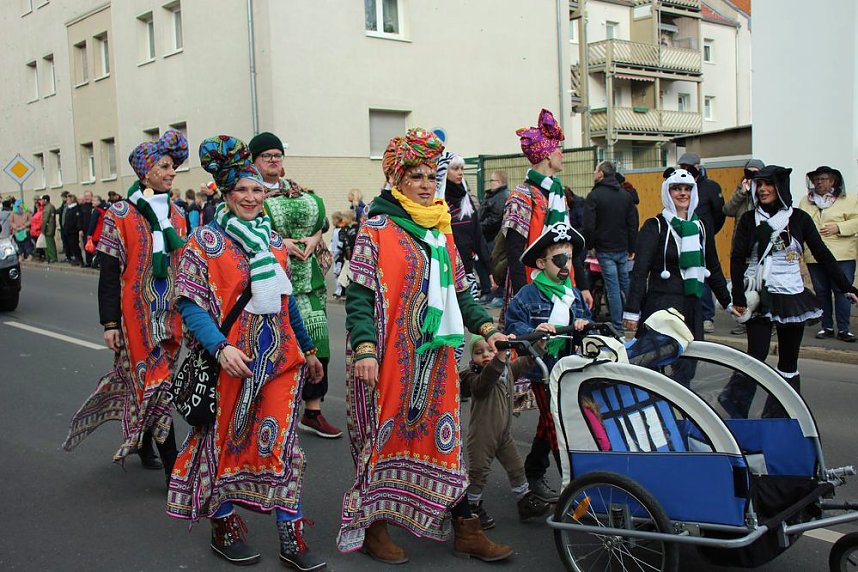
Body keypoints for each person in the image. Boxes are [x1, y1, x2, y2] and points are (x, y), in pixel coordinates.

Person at [340, 128, 513, 564]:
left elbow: (459, 293)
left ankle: (466, 530)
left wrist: (485, 330)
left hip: (434, 357)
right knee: (382, 439)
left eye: (428, 177)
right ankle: (374, 528)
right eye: (414, 176)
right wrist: (364, 348)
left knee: (444, 441)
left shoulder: (440, 226)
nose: (424, 184)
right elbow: (360, 294)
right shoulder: (375, 228)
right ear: (396, 179)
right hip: (387, 357)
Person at [168, 136, 326, 570]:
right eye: (243, 190)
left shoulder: (273, 241)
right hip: (230, 364)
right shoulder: (203, 242)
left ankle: (290, 536)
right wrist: (220, 349)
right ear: (226, 193)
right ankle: (223, 525)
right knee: (223, 443)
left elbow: (285, 299)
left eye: (258, 190)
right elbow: (189, 304)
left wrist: (308, 349)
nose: (253, 197)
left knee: (285, 447)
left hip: (279, 363)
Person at [62, 129, 189, 483]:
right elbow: (108, 273)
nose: (171, 172)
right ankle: (173, 468)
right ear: (145, 172)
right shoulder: (120, 213)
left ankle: (147, 442)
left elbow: (186, 264)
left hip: (173, 317)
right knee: (157, 385)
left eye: (172, 166)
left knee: (155, 386)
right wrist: (110, 324)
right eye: (163, 167)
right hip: (138, 319)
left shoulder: (177, 215)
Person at [720, 166, 858, 419]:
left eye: (768, 184)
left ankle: (779, 415)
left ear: (780, 187)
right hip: (759, 295)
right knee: (756, 355)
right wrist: (738, 296)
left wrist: (846, 286)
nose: (762, 190)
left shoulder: (800, 219)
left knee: (788, 361)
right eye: (759, 185)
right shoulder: (750, 220)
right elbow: (737, 258)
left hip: (791, 293)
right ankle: (735, 407)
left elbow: (822, 254)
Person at [250, 131, 342, 439]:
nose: (274, 160)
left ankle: (312, 411)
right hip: (270, 278)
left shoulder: (295, 189)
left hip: (308, 275)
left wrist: (315, 239)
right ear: (254, 161)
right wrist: (280, 243)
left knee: (319, 343)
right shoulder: (247, 192)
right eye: (267, 156)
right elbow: (242, 229)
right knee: (274, 345)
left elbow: (320, 222)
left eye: (277, 155)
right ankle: (265, 411)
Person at [504, 222, 592, 502]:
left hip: (569, 368)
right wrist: (534, 331)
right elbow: (512, 324)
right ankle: (574, 483)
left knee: (550, 420)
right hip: (540, 370)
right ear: (542, 263)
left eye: (569, 258)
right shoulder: (527, 295)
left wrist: (582, 323)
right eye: (559, 259)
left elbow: (587, 322)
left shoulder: (574, 294)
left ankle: (532, 470)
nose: (566, 265)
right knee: (556, 422)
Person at [623, 169, 731, 385]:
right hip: (660, 306)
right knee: (654, 367)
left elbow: (713, 267)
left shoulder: (701, 227)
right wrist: (632, 312)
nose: (683, 194)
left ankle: (681, 414)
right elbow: (640, 271)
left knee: (687, 368)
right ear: (667, 192)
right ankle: (657, 413)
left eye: (687, 189)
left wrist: (729, 302)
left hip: (692, 304)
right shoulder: (655, 226)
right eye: (676, 189)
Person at [502, 109, 591, 311]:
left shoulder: (558, 195)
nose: (562, 154)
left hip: (564, 284)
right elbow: (514, 251)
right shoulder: (522, 196)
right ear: (548, 155)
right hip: (531, 286)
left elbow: (568, 243)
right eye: (558, 149)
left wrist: (583, 287)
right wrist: (522, 297)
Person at [461, 335, 552, 530]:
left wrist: (540, 343)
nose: (485, 355)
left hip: (503, 434)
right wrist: (499, 357)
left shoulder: (507, 370)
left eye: (490, 350)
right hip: (482, 436)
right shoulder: (473, 376)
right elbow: (482, 386)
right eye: (479, 353)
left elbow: (526, 361)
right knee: (478, 473)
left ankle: (525, 501)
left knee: (517, 468)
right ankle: (472, 506)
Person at [798, 166, 858, 342]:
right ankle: (827, 327)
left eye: (823, 179)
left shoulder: (849, 199)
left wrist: (839, 227)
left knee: (843, 291)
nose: (819, 182)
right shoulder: (805, 201)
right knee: (821, 291)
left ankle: (844, 328)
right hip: (814, 255)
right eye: (816, 179)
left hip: (841, 254)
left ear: (832, 181)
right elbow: (800, 223)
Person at [584, 160, 637, 331]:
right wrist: (632, 246)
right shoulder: (625, 195)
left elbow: (589, 225)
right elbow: (632, 223)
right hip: (622, 247)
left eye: (595, 170)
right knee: (626, 284)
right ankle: (635, 317)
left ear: (601, 174)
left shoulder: (594, 196)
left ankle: (618, 326)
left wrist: (591, 245)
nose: (593, 173)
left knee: (612, 287)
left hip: (604, 248)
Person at [677, 152, 725, 333]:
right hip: (683, 238)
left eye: (687, 167)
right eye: (681, 168)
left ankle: (706, 316)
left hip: (703, 239)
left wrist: (709, 231)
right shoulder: (680, 187)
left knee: (705, 276)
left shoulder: (711, 187)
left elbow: (719, 214)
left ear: (697, 167)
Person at [437, 151, 488, 299]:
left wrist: (488, 268)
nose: (460, 173)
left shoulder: (465, 200)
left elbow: (477, 234)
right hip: (445, 270)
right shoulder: (437, 202)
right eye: (455, 168)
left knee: (470, 312)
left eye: (461, 169)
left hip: (467, 269)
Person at [723, 158, 765, 335]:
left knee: (761, 284)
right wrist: (742, 191)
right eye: (749, 172)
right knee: (743, 284)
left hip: (760, 247)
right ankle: (743, 319)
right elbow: (728, 210)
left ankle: (763, 318)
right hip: (742, 245)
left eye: (756, 172)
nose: (752, 176)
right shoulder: (742, 190)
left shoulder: (765, 190)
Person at [479, 170, 509, 306]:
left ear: (500, 182)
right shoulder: (493, 196)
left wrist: (479, 226)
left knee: (497, 265)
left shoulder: (501, 197)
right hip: (489, 236)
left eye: (492, 180)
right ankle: (491, 292)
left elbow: (495, 218)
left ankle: (499, 294)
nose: (490, 183)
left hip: (493, 236)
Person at [40, 194, 58, 263]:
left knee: (49, 244)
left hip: (48, 229)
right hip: (50, 228)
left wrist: (42, 230)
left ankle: (52, 258)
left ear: (45, 200)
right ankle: (49, 258)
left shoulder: (47, 208)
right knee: (48, 244)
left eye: (42, 200)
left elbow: (45, 220)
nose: (41, 202)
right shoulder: (50, 206)